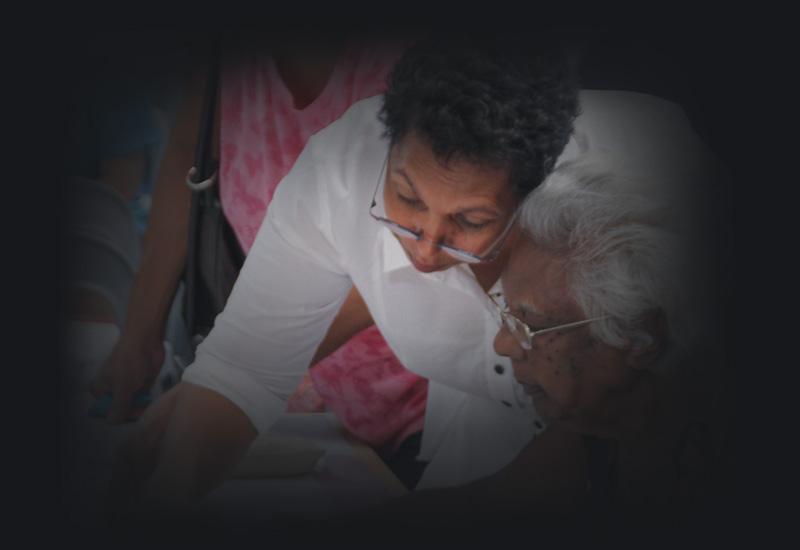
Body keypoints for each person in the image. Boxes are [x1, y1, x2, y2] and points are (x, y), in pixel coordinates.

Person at [109, 34, 711, 518]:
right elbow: (243, 368)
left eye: (470, 221)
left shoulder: (658, 188)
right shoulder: (340, 170)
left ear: (535, 193)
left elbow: (599, 451)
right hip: (479, 442)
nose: (424, 253)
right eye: (405, 198)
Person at [89, 33, 433, 476]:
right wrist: (138, 336)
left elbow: (413, 251)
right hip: (308, 399)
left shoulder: (409, 57)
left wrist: (237, 373)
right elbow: (185, 158)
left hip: (425, 400)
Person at [371, 154, 722, 531]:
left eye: (530, 325)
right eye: (506, 314)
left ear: (641, 338)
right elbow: (475, 507)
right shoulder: (595, 437)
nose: (503, 347)